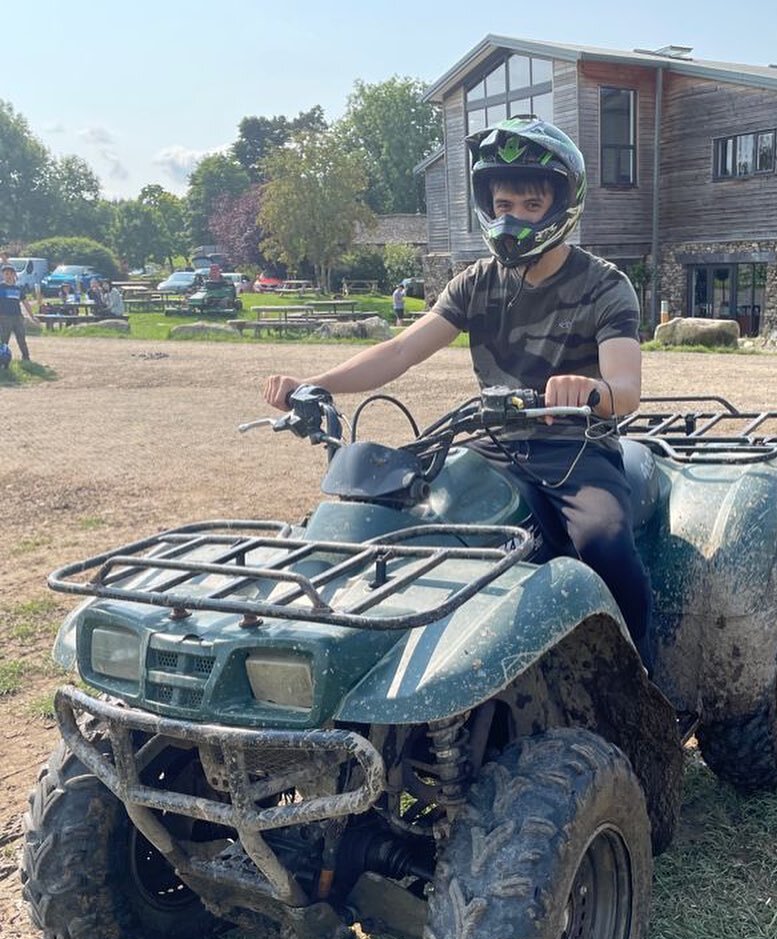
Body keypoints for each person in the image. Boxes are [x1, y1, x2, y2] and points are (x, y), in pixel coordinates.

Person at [263, 115, 653, 670]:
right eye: (502, 204)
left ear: (562, 204)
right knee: (404, 522)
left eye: (530, 204)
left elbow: (627, 389)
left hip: (575, 450)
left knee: (602, 537)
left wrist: (590, 390)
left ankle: (639, 670)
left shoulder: (604, 285)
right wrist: (317, 384)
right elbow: (400, 350)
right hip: (491, 444)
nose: (511, 217)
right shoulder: (477, 281)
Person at [1, 263, 38, 362]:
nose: (8, 276)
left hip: (17, 317)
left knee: (21, 338)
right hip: (4, 317)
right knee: (4, 340)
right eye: (6, 274)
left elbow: (26, 303)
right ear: (3, 275)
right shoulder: (1, 287)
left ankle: (26, 357)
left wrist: (32, 316)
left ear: (14, 275)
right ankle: (3, 359)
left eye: (10, 273)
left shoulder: (18, 289)